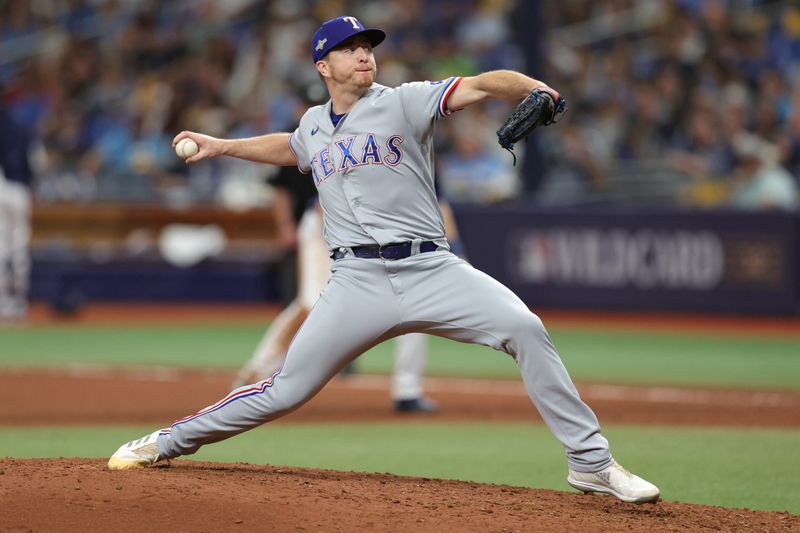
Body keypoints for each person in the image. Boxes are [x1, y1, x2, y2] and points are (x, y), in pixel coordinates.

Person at [108, 16, 660, 504]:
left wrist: (534, 86)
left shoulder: (404, 101)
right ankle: (167, 441)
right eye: (350, 48)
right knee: (285, 390)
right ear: (324, 65)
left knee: (525, 326)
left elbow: (481, 83)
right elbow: (294, 146)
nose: (364, 54)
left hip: (433, 269)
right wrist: (225, 146)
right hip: (357, 281)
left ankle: (590, 463)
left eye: (368, 45)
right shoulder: (313, 124)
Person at [233, 192, 464, 413]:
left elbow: (439, 203)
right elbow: (324, 202)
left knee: (415, 301)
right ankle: (257, 372)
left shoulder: (418, 153)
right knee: (312, 303)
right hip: (328, 224)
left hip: (381, 233)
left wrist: (456, 252)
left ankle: (408, 391)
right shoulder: (359, 152)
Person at [0, 104, 34, 321]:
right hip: (19, 188)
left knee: (1, 245)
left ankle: (4, 301)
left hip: (0, 188)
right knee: (20, 247)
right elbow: (31, 163)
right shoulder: (19, 125)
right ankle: (20, 300)